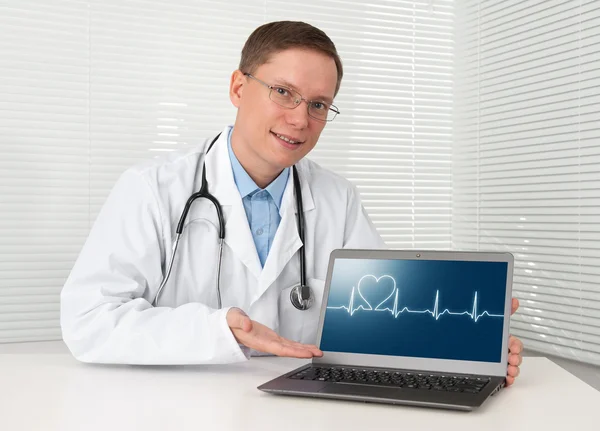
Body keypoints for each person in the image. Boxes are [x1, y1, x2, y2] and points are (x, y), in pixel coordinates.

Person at [60, 21, 523, 385]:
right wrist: (218, 330)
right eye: (284, 92)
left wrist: (468, 342)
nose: (300, 119)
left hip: (303, 410)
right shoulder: (152, 189)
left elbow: (387, 317)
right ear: (239, 88)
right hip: (178, 411)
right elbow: (89, 321)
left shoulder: (337, 199)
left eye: (319, 104)